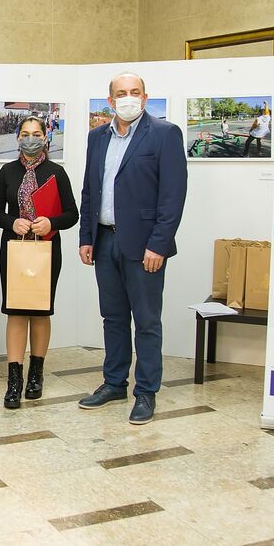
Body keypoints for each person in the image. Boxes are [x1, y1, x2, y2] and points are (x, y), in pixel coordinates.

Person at [78, 72, 187, 425]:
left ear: (145, 97)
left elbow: (173, 196)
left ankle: (146, 392)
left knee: (146, 321)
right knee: (112, 318)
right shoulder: (97, 137)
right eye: (122, 93)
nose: (129, 98)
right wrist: (86, 237)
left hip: (144, 246)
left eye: (135, 92)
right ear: (111, 100)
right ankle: (114, 383)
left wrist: (159, 244)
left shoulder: (165, 134)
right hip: (104, 240)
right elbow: (90, 190)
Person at [0, 116, 79, 409]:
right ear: (18, 138)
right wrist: (12, 222)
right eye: (26, 134)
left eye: (37, 134)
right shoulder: (7, 171)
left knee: (40, 312)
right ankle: (14, 380)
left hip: (47, 249)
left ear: (45, 137)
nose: (31, 139)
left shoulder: (57, 173)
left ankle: (35, 375)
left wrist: (51, 222)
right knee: (16, 312)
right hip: (14, 249)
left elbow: (72, 214)